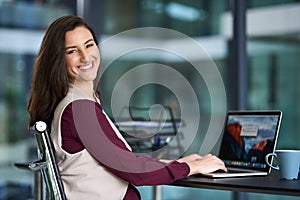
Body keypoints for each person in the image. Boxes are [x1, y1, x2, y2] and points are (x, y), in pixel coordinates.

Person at [27, 15, 227, 200]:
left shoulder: (76, 102)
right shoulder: (78, 110)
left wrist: (181, 164)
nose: (85, 56)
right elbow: (134, 171)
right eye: (72, 51)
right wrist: (188, 168)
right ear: (59, 60)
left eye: (89, 45)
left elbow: (121, 161)